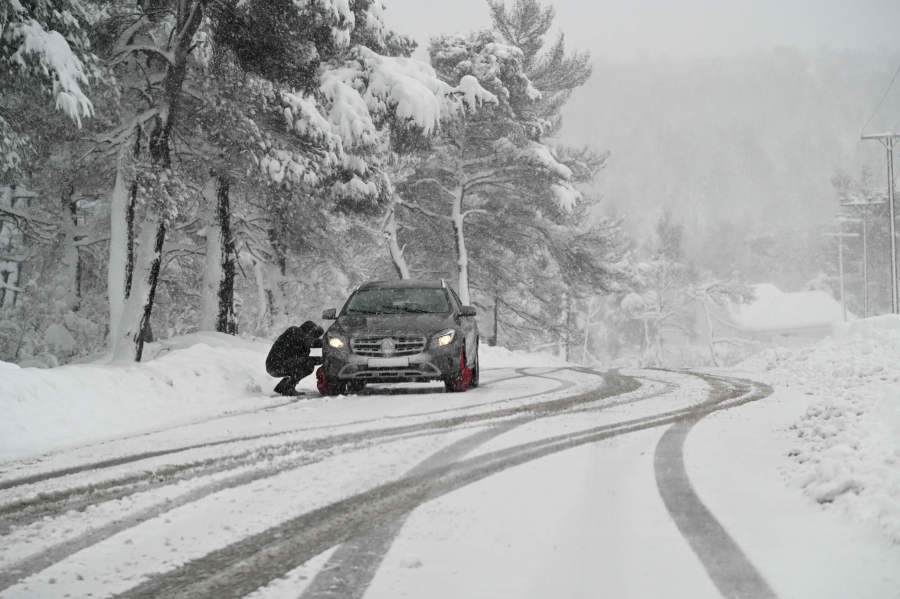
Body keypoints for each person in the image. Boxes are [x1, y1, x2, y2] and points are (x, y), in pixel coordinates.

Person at [266, 320, 324, 396]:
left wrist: (324, 359)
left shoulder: (302, 344)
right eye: (314, 335)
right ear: (308, 331)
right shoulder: (294, 331)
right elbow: (309, 343)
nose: (314, 338)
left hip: (279, 365)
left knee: (308, 365)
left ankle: (283, 387)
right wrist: (326, 342)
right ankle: (286, 388)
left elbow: (306, 359)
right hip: (275, 365)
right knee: (308, 364)